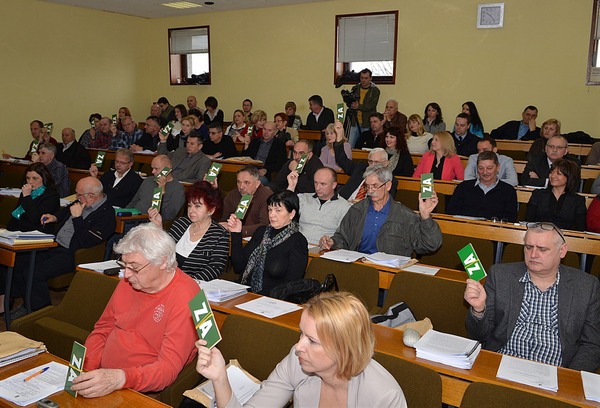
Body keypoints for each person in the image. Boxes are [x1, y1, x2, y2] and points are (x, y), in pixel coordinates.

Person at [195, 291, 407, 408]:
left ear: (344, 349)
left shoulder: (385, 397)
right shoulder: (297, 361)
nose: (298, 346)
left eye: (312, 341)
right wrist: (220, 379)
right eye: (301, 333)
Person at [71, 224, 199, 397]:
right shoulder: (132, 281)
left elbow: (167, 369)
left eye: (134, 267)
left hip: (138, 388)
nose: (126, 275)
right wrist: (88, 370)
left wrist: (121, 378)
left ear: (162, 262)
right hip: (104, 377)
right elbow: (103, 329)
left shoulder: (188, 297)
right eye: (124, 265)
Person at [464, 222, 600, 372]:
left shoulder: (586, 286)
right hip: (502, 364)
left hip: (554, 372)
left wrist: (568, 379)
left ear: (562, 251)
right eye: (528, 247)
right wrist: (478, 310)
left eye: (542, 249)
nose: (533, 254)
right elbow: (480, 335)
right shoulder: (500, 275)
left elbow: (592, 345)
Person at [10, 177, 115, 317]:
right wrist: (54, 217)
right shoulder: (81, 201)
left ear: (91, 196)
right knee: (19, 262)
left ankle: (41, 312)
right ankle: (26, 303)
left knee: (35, 273)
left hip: (72, 253)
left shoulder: (106, 214)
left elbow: (86, 241)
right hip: (54, 244)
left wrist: (77, 218)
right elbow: (65, 212)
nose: (76, 197)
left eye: (79, 194)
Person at [320, 165, 442, 257]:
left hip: (390, 271)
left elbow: (430, 245)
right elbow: (343, 238)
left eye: (375, 186)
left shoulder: (405, 216)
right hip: (359, 266)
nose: (370, 191)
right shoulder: (357, 210)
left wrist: (426, 217)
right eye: (367, 186)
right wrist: (332, 242)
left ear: (388, 186)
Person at [228, 191, 308, 295]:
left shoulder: (297, 241)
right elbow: (238, 267)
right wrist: (236, 233)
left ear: (291, 214)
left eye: (278, 211)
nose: (271, 215)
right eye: (270, 210)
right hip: (244, 290)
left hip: (271, 297)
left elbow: (290, 286)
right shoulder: (261, 232)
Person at [148, 181, 229, 281]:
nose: (191, 210)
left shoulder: (219, 234)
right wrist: (158, 226)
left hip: (195, 284)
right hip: (166, 279)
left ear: (211, 210)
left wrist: (188, 282)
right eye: (189, 205)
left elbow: (215, 268)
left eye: (197, 206)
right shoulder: (181, 223)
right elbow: (162, 251)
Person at [446, 151, 518, 222]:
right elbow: (451, 211)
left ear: (498, 167)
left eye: (489, 168)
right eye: (481, 168)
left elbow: (510, 218)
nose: (485, 172)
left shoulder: (508, 191)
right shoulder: (463, 187)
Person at [287, 167, 351, 244]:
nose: (317, 188)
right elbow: (283, 208)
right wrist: (291, 187)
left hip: (323, 248)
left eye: (323, 184)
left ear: (334, 185)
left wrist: (332, 243)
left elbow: (344, 237)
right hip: (298, 245)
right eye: (316, 182)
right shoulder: (304, 198)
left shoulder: (344, 207)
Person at [525, 159, 586, 231]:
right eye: (551, 172)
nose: (553, 176)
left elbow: (580, 229)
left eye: (558, 173)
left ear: (569, 177)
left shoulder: (578, 200)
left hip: (564, 236)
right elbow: (529, 221)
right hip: (539, 234)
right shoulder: (538, 194)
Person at [127, 155, 185, 221]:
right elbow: (133, 202)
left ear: (168, 169)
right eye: (152, 168)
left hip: (150, 222)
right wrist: (124, 213)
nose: (153, 172)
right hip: (132, 218)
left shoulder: (178, 189)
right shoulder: (148, 180)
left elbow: (169, 216)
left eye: (156, 169)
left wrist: (161, 192)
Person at [219, 165, 272, 236]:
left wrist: (239, 229)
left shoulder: (267, 196)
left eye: (246, 183)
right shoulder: (233, 194)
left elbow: (265, 226)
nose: (241, 187)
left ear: (257, 184)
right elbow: (223, 218)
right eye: (238, 182)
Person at [7, 162, 60, 233]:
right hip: (18, 229)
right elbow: (16, 217)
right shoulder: (26, 192)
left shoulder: (52, 195)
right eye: (28, 178)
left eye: (35, 178)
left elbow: (35, 219)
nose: (30, 182)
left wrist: (27, 197)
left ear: (44, 178)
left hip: (37, 231)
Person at [348, 68, 380, 148]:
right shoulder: (355, 88)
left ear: (370, 78)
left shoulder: (375, 90)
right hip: (355, 122)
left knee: (366, 147)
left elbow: (372, 106)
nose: (363, 80)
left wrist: (358, 106)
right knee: (350, 145)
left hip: (367, 123)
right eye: (362, 78)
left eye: (366, 78)